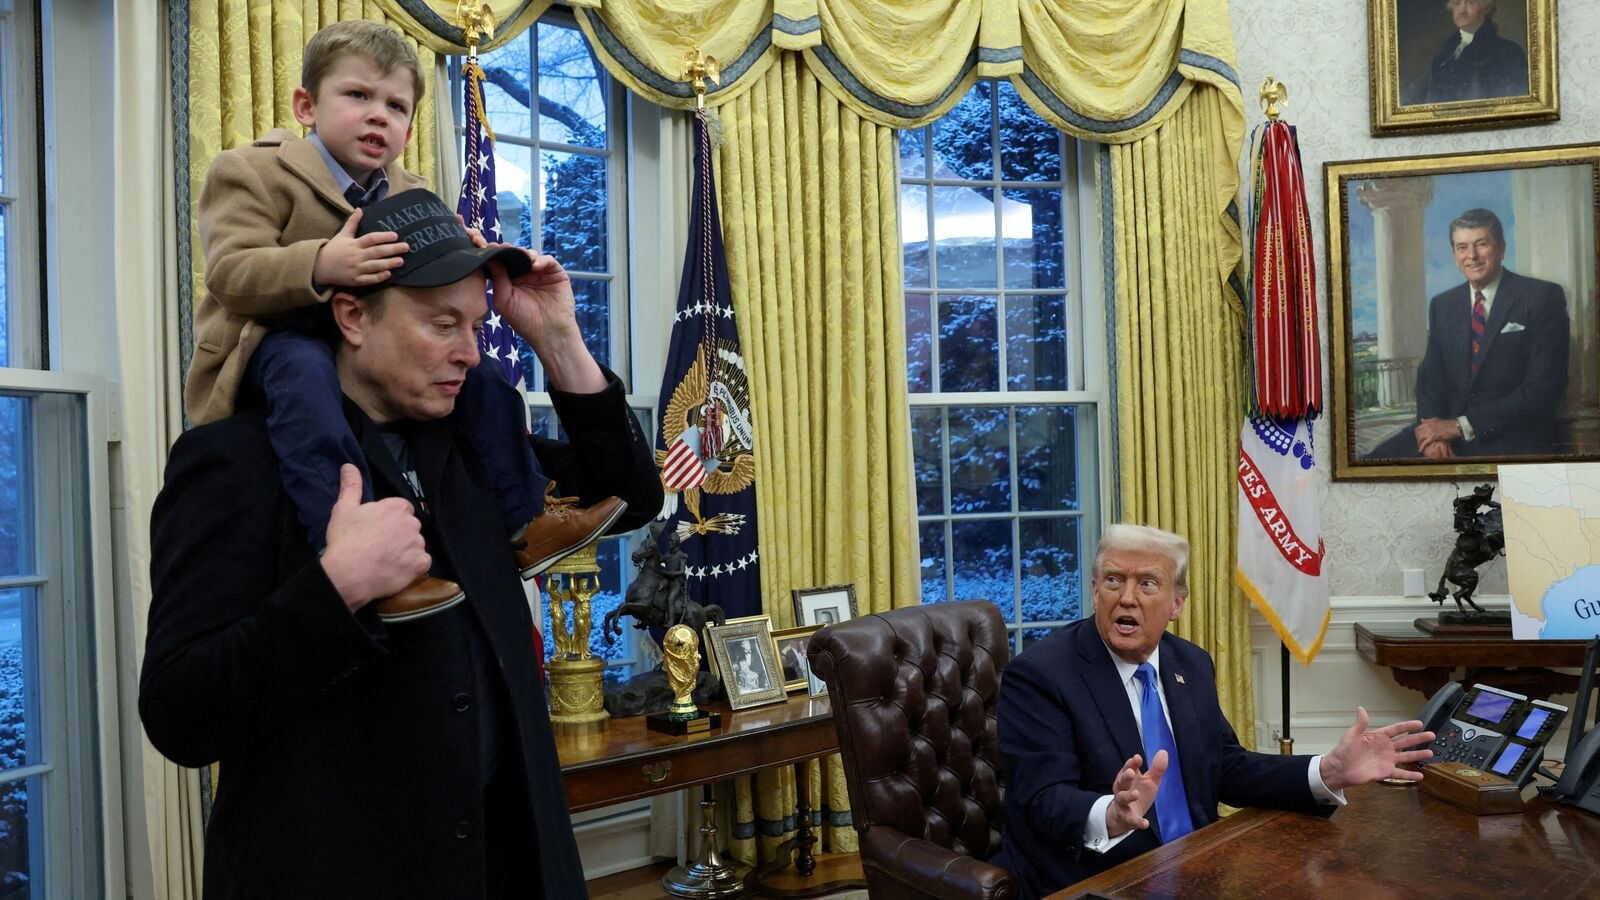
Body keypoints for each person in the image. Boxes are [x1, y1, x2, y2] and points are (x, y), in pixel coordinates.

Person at [139, 190, 664, 897]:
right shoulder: (235, 462)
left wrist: (558, 340)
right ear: (352, 316)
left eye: (476, 324)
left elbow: (630, 494)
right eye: (442, 323)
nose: (469, 352)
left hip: (511, 866)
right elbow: (180, 713)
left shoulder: (473, 445)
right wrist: (335, 588)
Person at [185, 20, 621, 620]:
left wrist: (460, 252)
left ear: (410, 128)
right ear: (306, 106)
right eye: (358, 96)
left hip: (366, 348)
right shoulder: (253, 171)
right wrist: (321, 262)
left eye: (395, 106)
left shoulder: (412, 190)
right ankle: (353, 540)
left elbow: (434, 279)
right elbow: (229, 271)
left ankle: (526, 519)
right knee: (304, 375)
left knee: (483, 374)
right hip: (277, 338)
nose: (377, 116)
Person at [992, 525, 1434, 898]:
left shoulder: (1190, 663)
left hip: (1200, 864)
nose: (1126, 598)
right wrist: (1111, 813)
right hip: (1099, 877)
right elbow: (1041, 799)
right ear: (1094, 591)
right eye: (1112, 580)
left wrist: (1328, 771)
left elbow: (1224, 768)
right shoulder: (1040, 675)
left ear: (1177, 604)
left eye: (1147, 583)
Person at [1367, 208, 1569, 460]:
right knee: (1369, 465)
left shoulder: (1541, 297)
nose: (1471, 256)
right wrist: (1432, 434)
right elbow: (1430, 380)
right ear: (1454, 255)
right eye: (1462, 247)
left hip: (1510, 434)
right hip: (1446, 433)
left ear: (1501, 249)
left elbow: (1543, 389)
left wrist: (1460, 426)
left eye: (1481, 244)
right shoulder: (1443, 305)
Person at [1424, 0, 1529, 103]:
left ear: (1486, 8)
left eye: (1470, 3)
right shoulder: (1441, 59)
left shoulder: (1508, 53)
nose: (1462, 11)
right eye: (1457, 3)